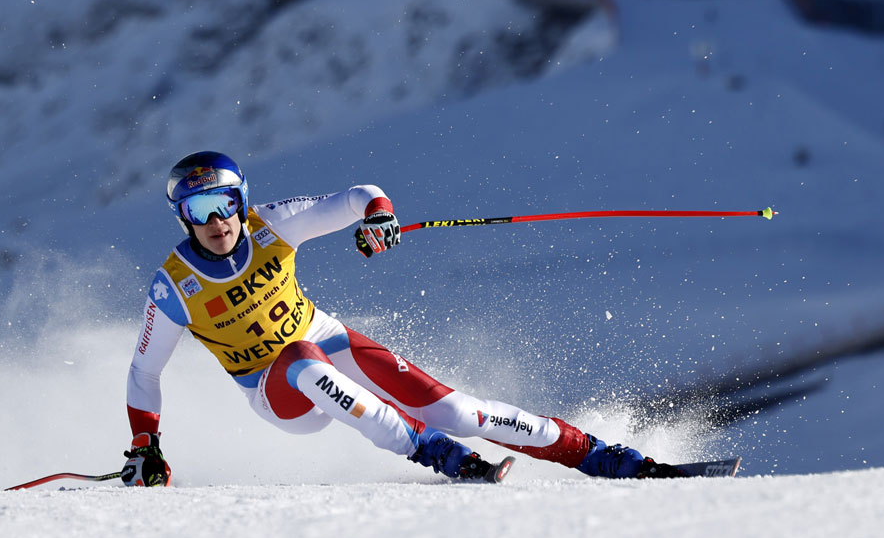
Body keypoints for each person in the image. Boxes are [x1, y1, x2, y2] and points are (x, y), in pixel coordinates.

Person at [122, 151, 697, 486]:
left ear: (243, 203)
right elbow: (144, 374)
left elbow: (360, 195)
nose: (216, 220)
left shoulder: (274, 225)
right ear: (183, 219)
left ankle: (609, 459)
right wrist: (146, 444)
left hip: (326, 339)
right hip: (277, 392)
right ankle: (436, 454)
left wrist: (379, 217)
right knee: (299, 359)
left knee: (457, 409)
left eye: (225, 203)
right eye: (199, 210)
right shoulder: (175, 286)